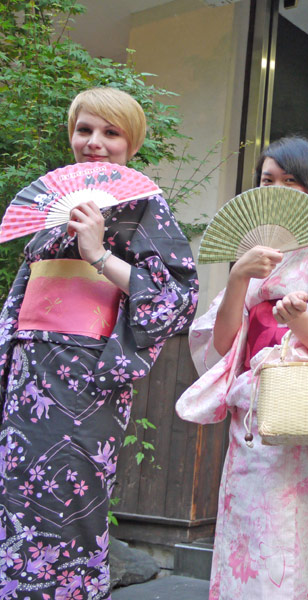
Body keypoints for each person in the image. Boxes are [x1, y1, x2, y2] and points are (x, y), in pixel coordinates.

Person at [0, 87, 198, 598]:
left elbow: (176, 297)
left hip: (85, 380)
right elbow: (21, 301)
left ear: (131, 145)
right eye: (84, 130)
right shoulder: (50, 211)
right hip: (27, 375)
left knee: (69, 503)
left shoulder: (143, 206)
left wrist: (98, 254)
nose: (95, 142)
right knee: (15, 502)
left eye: (111, 133)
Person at [176, 136, 308, 599]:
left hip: (300, 407)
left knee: (289, 536)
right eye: (268, 180)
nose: (277, 189)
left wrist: (298, 320)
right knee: (243, 531)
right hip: (251, 413)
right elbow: (222, 345)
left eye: (291, 181)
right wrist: (239, 275)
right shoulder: (254, 254)